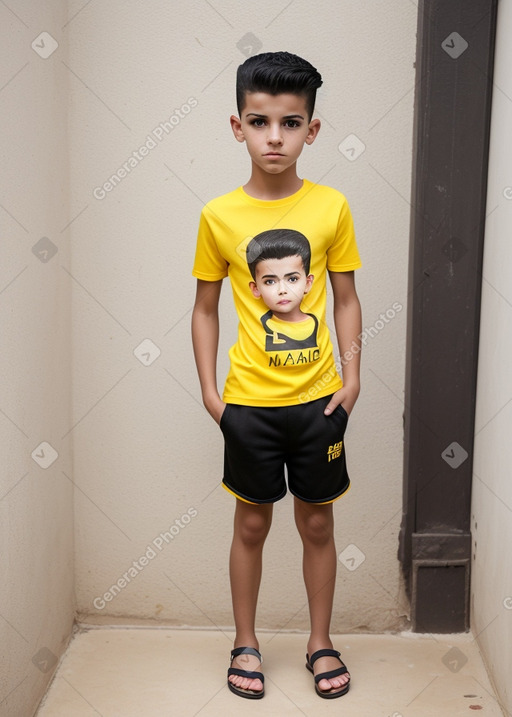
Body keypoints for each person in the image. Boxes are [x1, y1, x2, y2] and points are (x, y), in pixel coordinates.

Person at [191, 50, 362, 700]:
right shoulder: (218, 215)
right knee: (252, 524)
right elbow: (205, 309)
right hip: (249, 408)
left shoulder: (331, 208)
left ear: (311, 130)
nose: (274, 136)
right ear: (238, 126)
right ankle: (246, 641)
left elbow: (345, 297)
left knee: (317, 522)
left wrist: (352, 378)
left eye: (290, 123)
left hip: (319, 405)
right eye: (259, 121)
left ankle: (321, 641)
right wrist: (212, 395)